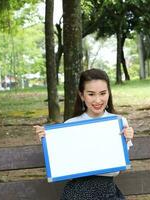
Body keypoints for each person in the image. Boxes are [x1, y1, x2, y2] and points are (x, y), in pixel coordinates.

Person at [34, 68, 134, 200]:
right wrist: (48, 139)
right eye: (91, 94)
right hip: (77, 193)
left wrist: (126, 140)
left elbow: (118, 169)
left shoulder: (119, 122)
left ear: (109, 93)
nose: (98, 100)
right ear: (82, 95)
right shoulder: (70, 124)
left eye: (103, 93)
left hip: (108, 193)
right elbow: (63, 163)